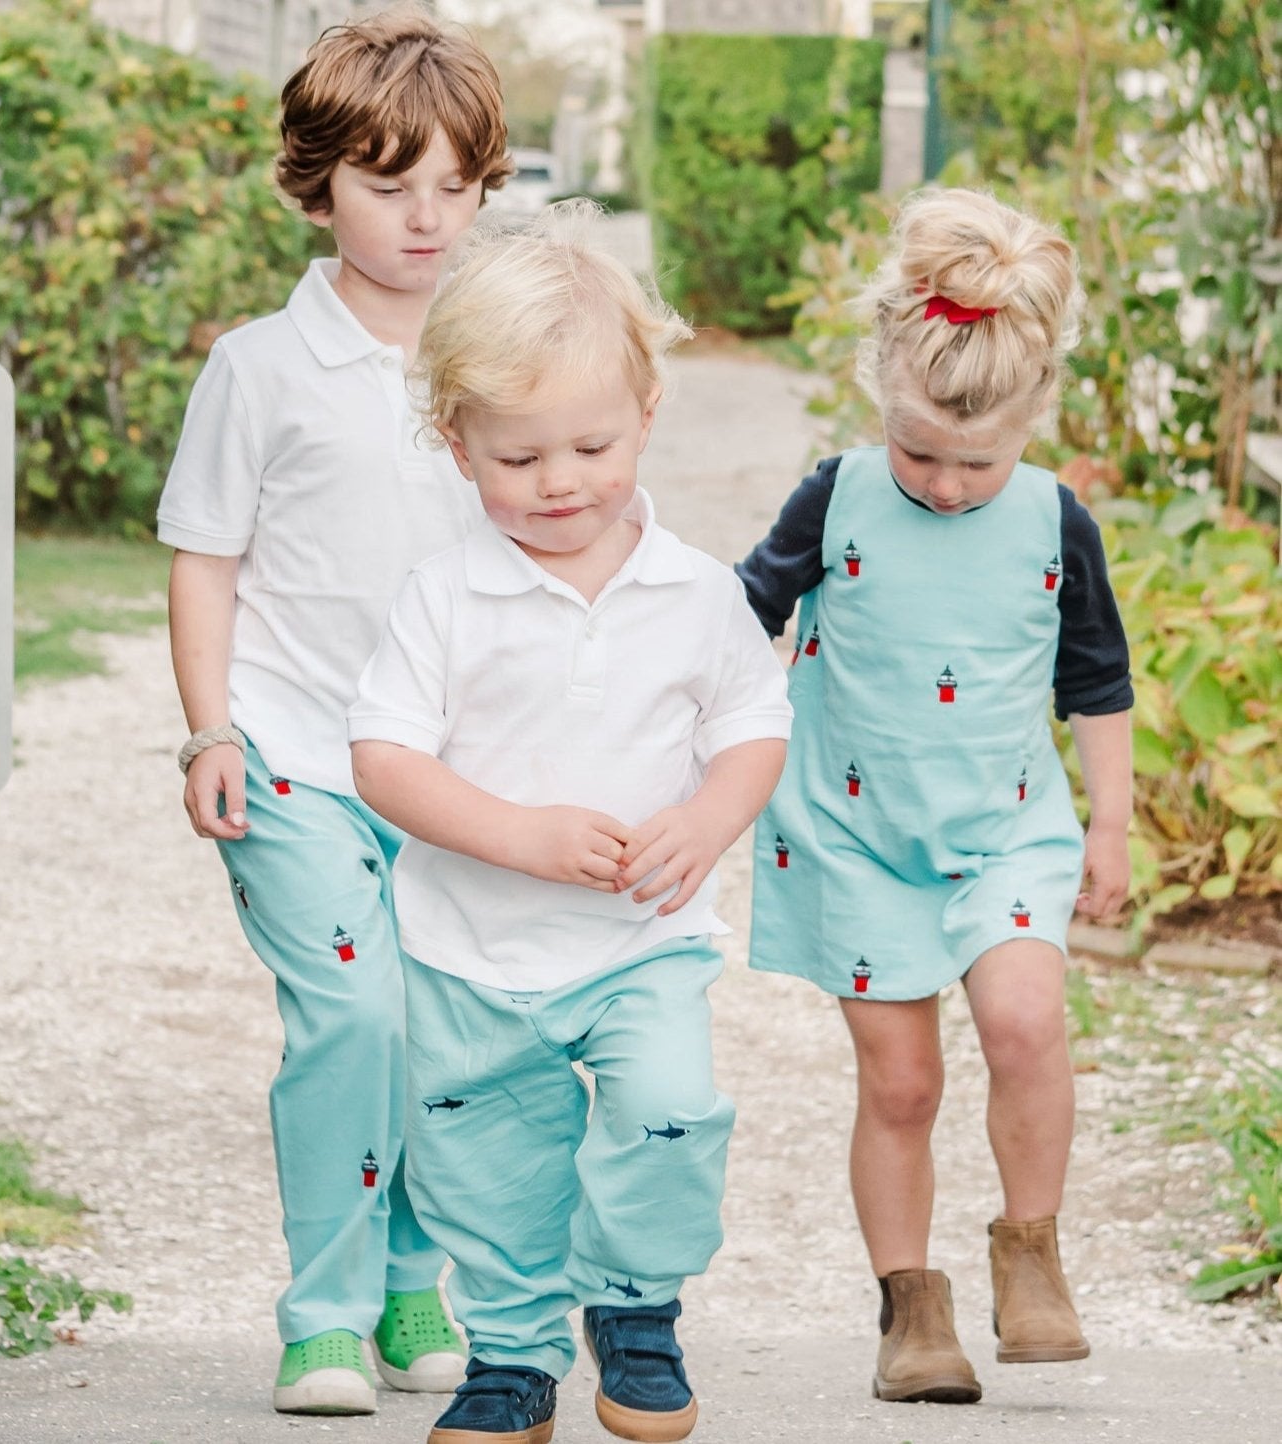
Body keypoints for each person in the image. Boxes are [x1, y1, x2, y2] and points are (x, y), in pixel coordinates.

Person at [347, 205, 793, 1444]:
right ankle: (511, 1356)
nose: (559, 483)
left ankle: (636, 1306)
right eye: (518, 458)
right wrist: (514, 833)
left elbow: (754, 723)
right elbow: (381, 756)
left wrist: (708, 817)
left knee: (669, 1107)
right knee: (486, 1161)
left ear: (646, 415)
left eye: (591, 446)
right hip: (473, 952)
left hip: (638, 942)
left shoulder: (698, 593)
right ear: (455, 446)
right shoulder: (444, 597)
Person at [157, 5, 511, 1417]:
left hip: (452, 772)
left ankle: (417, 1280)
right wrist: (210, 731)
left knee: (445, 1033)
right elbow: (207, 558)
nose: (426, 220)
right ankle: (322, 1314)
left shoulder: (496, 350)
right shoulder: (261, 364)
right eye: (388, 184)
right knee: (353, 1016)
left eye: (456, 187)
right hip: (296, 758)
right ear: (316, 183)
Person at [737, 187, 1133, 1405]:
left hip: (1003, 827)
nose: (948, 484)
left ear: (1032, 421)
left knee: (1023, 1025)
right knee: (901, 1084)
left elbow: (1095, 678)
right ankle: (911, 1306)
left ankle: (1030, 1253)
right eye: (920, 452)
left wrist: (1108, 822)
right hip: (854, 835)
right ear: (876, 395)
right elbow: (731, 623)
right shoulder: (836, 497)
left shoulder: (1051, 520)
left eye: (978, 458)